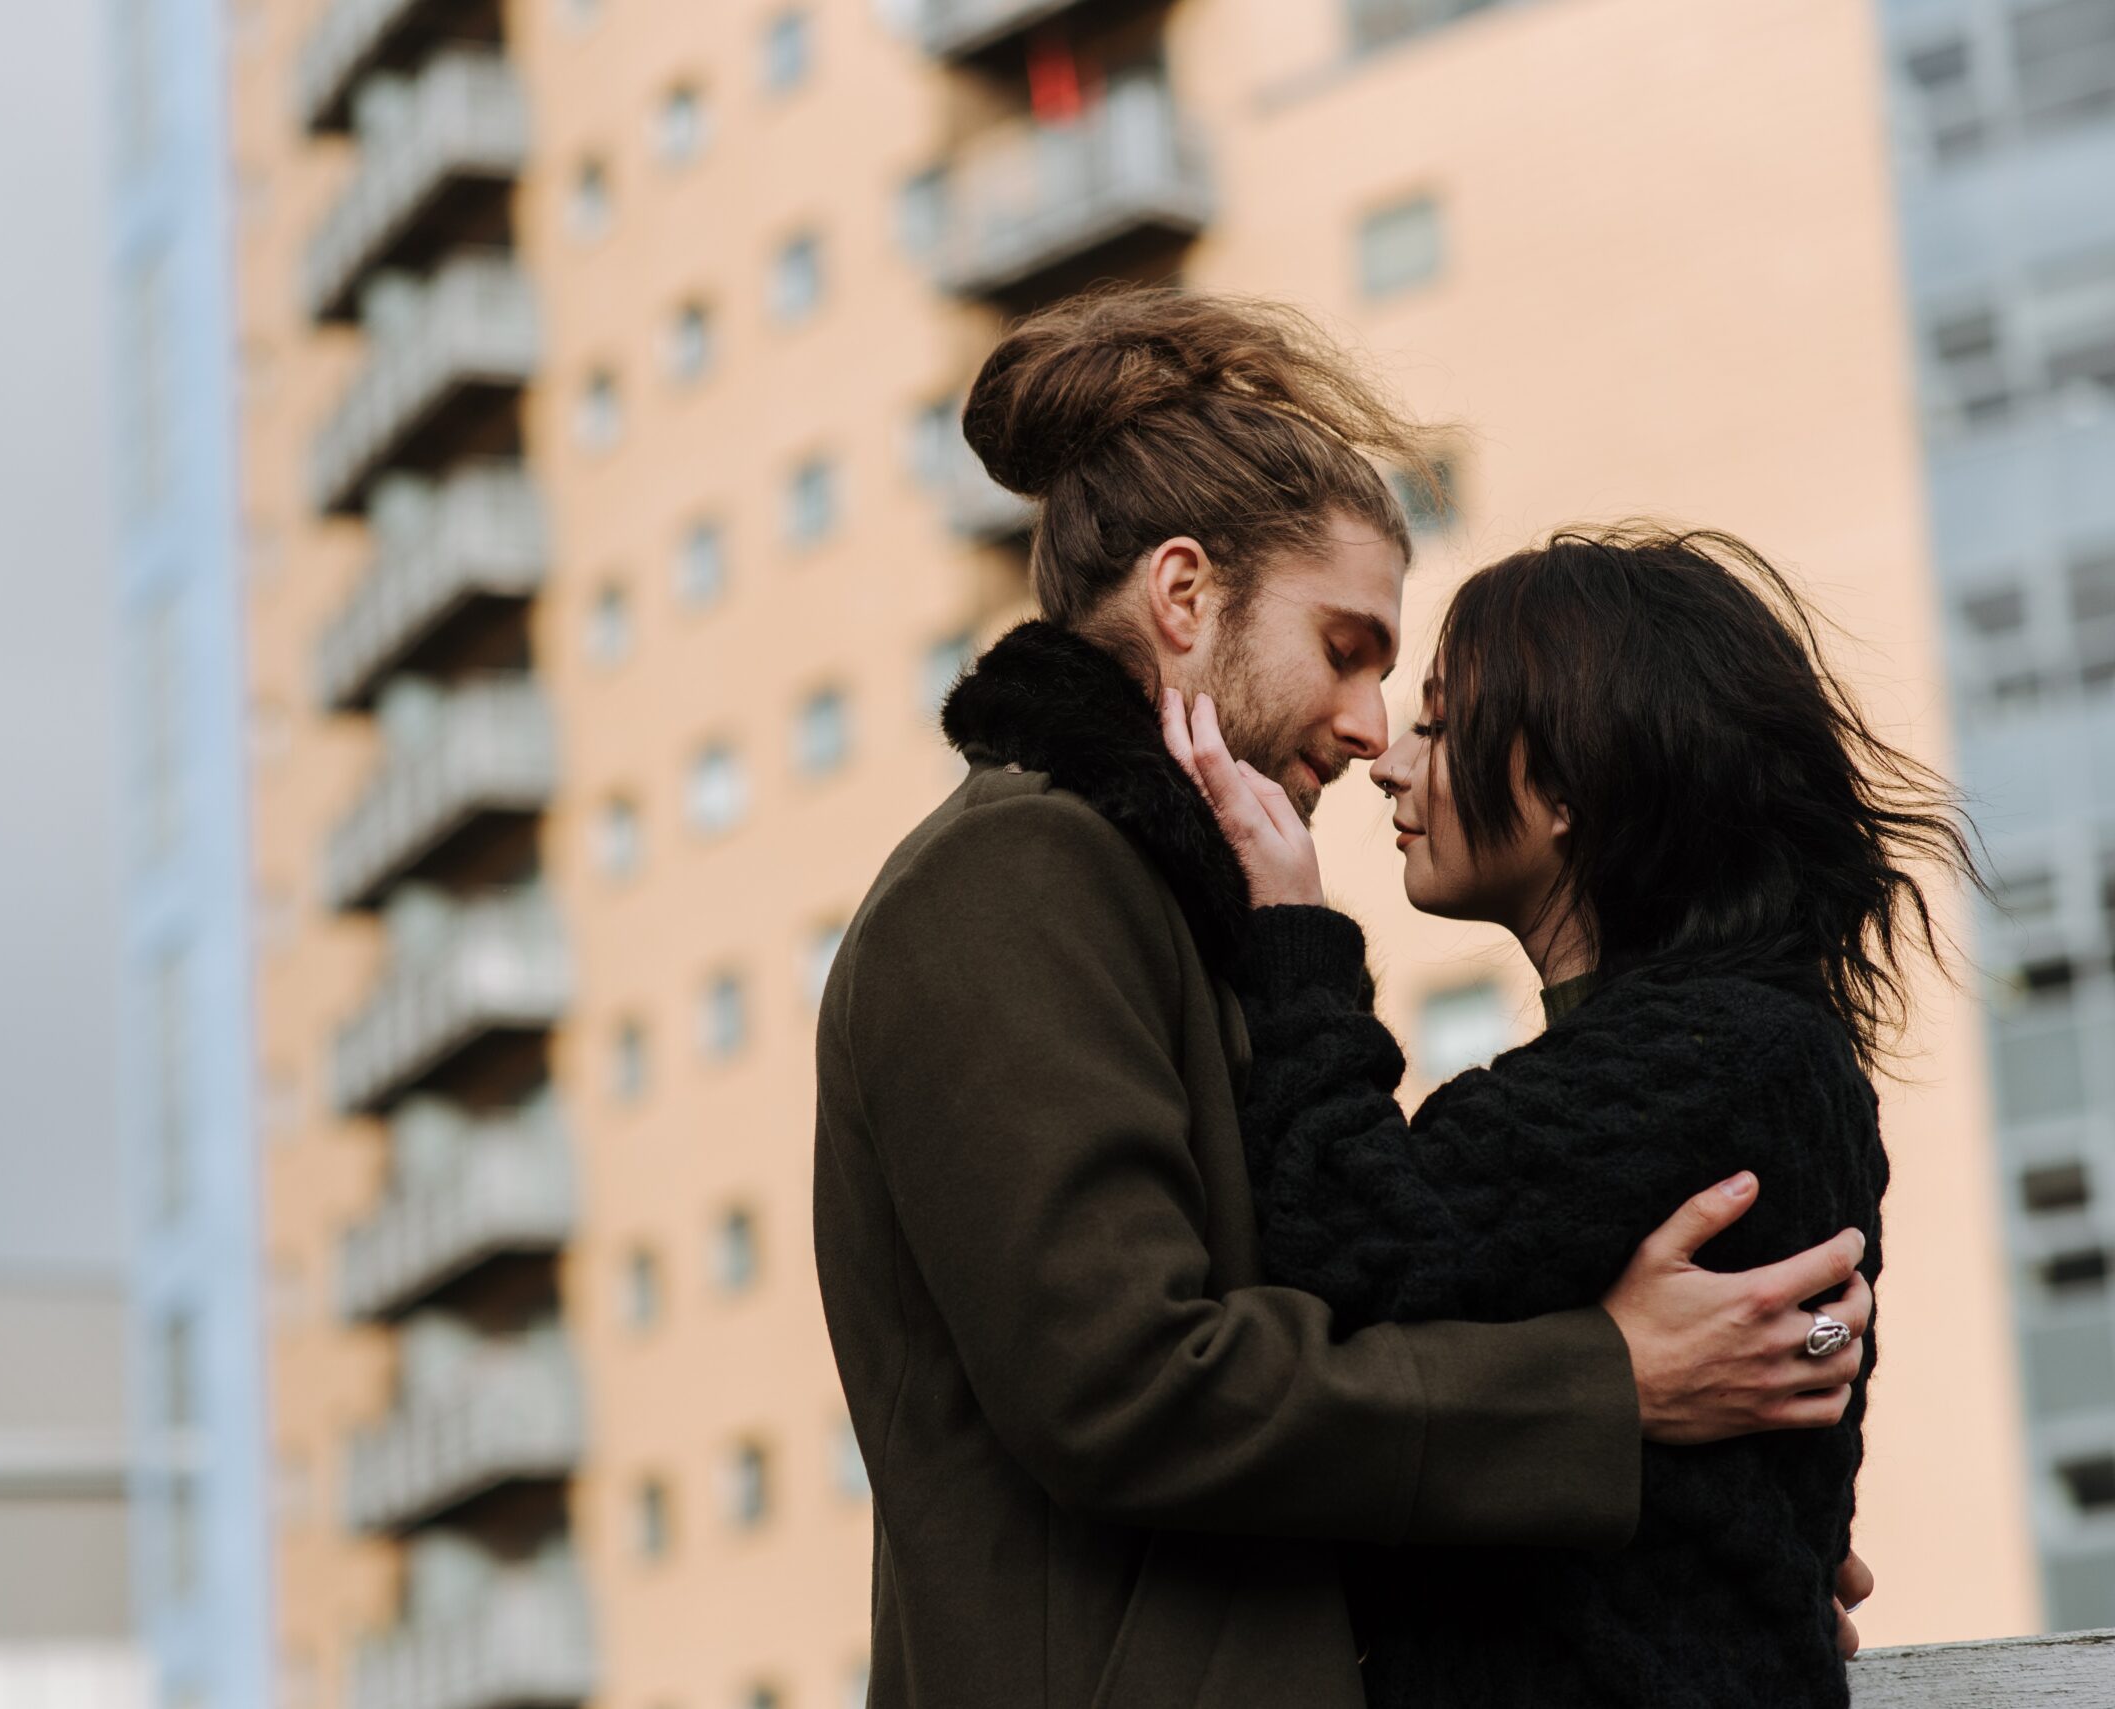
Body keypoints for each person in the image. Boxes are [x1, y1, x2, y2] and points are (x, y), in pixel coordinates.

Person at [811, 289, 1875, 1709]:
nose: (1374, 727)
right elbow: (1133, 1388)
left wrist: (1694, 1536)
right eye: (1349, 648)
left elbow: (1346, 1334)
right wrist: (1604, 1392)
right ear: (1184, 598)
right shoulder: (1017, 875)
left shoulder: (1173, 911)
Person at [1166, 525, 1966, 1706]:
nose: (1388, 762)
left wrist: (1291, 936)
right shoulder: (1718, 1045)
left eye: (1437, 724)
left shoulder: (1712, 1056)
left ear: (1568, 789)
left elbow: (1343, 1250)